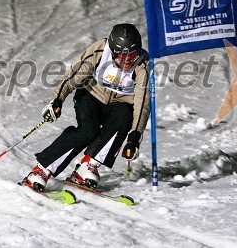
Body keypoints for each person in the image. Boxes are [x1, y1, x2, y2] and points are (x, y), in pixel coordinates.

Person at [22, 23, 151, 191]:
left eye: (132, 55)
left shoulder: (143, 65)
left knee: (125, 116)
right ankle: (42, 170)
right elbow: (73, 76)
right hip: (91, 95)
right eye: (121, 56)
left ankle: (89, 166)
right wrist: (57, 101)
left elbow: (142, 103)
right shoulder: (99, 50)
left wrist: (134, 137)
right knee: (88, 131)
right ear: (112, 52)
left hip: (119, 103)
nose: (127, 61)